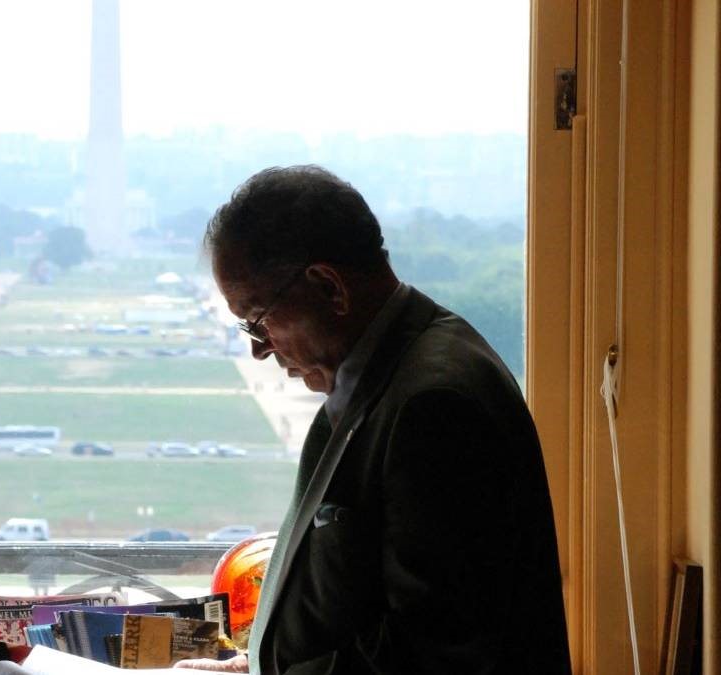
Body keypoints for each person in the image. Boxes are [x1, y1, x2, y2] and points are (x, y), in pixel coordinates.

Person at [177, 166, 570, 673]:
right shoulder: (384, 371)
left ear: (329, 287)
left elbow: (429, 649)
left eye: (258, 320)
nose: (258, 350)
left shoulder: (435, 405)